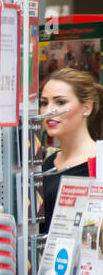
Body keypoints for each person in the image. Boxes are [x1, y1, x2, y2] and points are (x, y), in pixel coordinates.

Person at [38, 67, 102, 233]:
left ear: (86, 108)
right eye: (44, 103)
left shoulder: (99, 164)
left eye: (60, 102)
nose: (49, 111)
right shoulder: (47, 165)